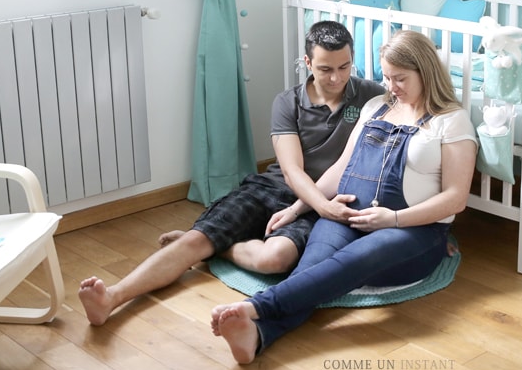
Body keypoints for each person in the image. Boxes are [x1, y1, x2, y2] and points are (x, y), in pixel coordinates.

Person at [79, 21, 385, 325]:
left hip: (315, 202)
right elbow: (292, 172)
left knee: (274, 259)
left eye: (344, 67)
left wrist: (318, 206)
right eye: (325, 69)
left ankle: (218, 248)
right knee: (197, 240)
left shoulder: (371, 95)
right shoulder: (287, 103)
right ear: (307, 62)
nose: (336, 77)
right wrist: (325, 207)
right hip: (274, 188)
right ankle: (113, 297)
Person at [210, 30, 478, 364]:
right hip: (349, 214)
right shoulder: (376, 107)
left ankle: (257, 308)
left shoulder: (451, 122)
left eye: (400, 79)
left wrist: (392, 219)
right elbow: (340, 168)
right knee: (311, 271)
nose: (391, 87)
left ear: (426, 72)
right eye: (386, 77)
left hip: (411, 231)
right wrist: (297, 208)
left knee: (347, 264)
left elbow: (456, 199)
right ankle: (259, 336)